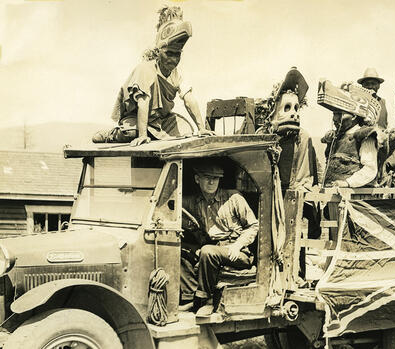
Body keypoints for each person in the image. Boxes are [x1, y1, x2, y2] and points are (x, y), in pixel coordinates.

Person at [92, 6, 206, 146]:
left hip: (160, 121)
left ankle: (153, 133)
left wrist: (202, 128)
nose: (173, 60)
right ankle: (111, 134)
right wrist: (142, 135)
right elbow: (143, 102)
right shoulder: (145, 69)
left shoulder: (176, 74)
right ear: (159, 52)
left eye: (177, 55)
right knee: (132, 134)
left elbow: (189, 99)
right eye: (169, 54)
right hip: (135, 118)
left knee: (186, 130)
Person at [181, 162, 259, 315]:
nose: (211, 182)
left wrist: (237, 246)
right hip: (213, 248)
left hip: (238, 252)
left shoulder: (233, 197)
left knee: (208, 251)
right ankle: (191, 299)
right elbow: (173, 203)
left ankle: (207, 301)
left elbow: (253, 226)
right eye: (207, 178)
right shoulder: (193, 201)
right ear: (197, 179)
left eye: (215, 179)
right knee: (180, 250)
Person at [256, 67, 318, 192]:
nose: (294, 114)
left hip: (293, 193)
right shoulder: (262, 135)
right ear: (273, 112)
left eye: (296, 108)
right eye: (287, 108)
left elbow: (306, 177)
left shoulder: (302, 137)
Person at [319, 81, 385, 188]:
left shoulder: (365, 135)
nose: (335, 119)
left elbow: (370, 169)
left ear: (354, 116)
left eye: (339, 114)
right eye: (334, 114)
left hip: (355, 199)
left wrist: (348, 183)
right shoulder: (336, 136)